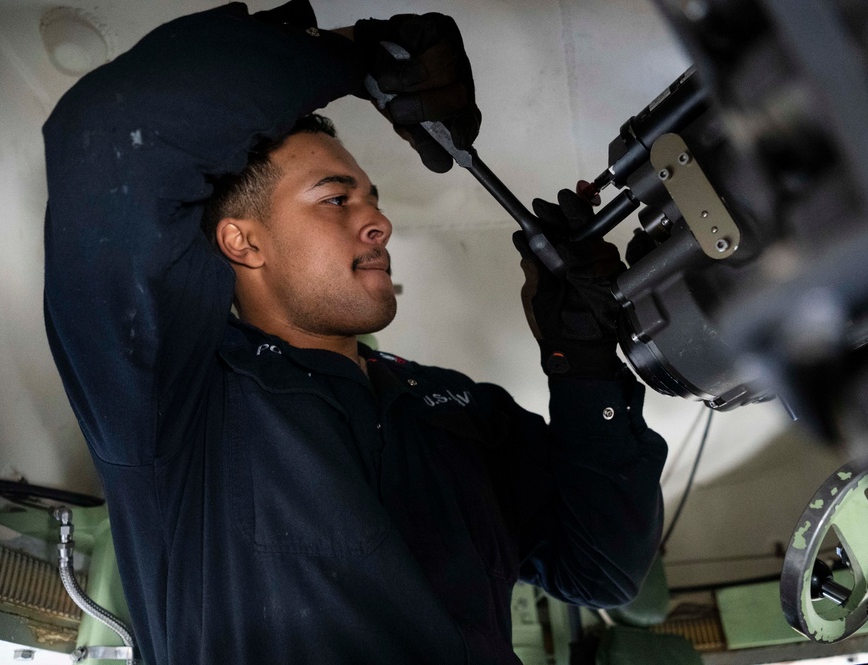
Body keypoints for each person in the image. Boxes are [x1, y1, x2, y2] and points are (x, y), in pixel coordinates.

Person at [42, 1, 668, 663]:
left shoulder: (461, 414)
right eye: (337, 199)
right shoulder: (175, 397)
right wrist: (354, 55)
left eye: (372, 200)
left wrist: (584, 363)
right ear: (241, 241)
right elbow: (114, 135)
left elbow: (600, 567)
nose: (378, 224)